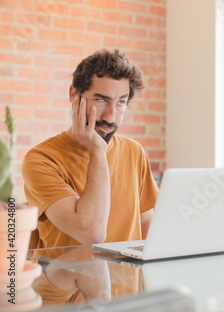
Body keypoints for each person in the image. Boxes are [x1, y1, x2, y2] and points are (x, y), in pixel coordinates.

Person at [22, 49, 159, 248]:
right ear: (74, 95)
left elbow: (145, 223)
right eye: (101, 100)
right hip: (65, 279)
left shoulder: (134, 151)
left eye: (121, 102)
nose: (111, 117)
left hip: (125, 278)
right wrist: (97, 151)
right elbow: (91, 232)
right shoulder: (41, 159)